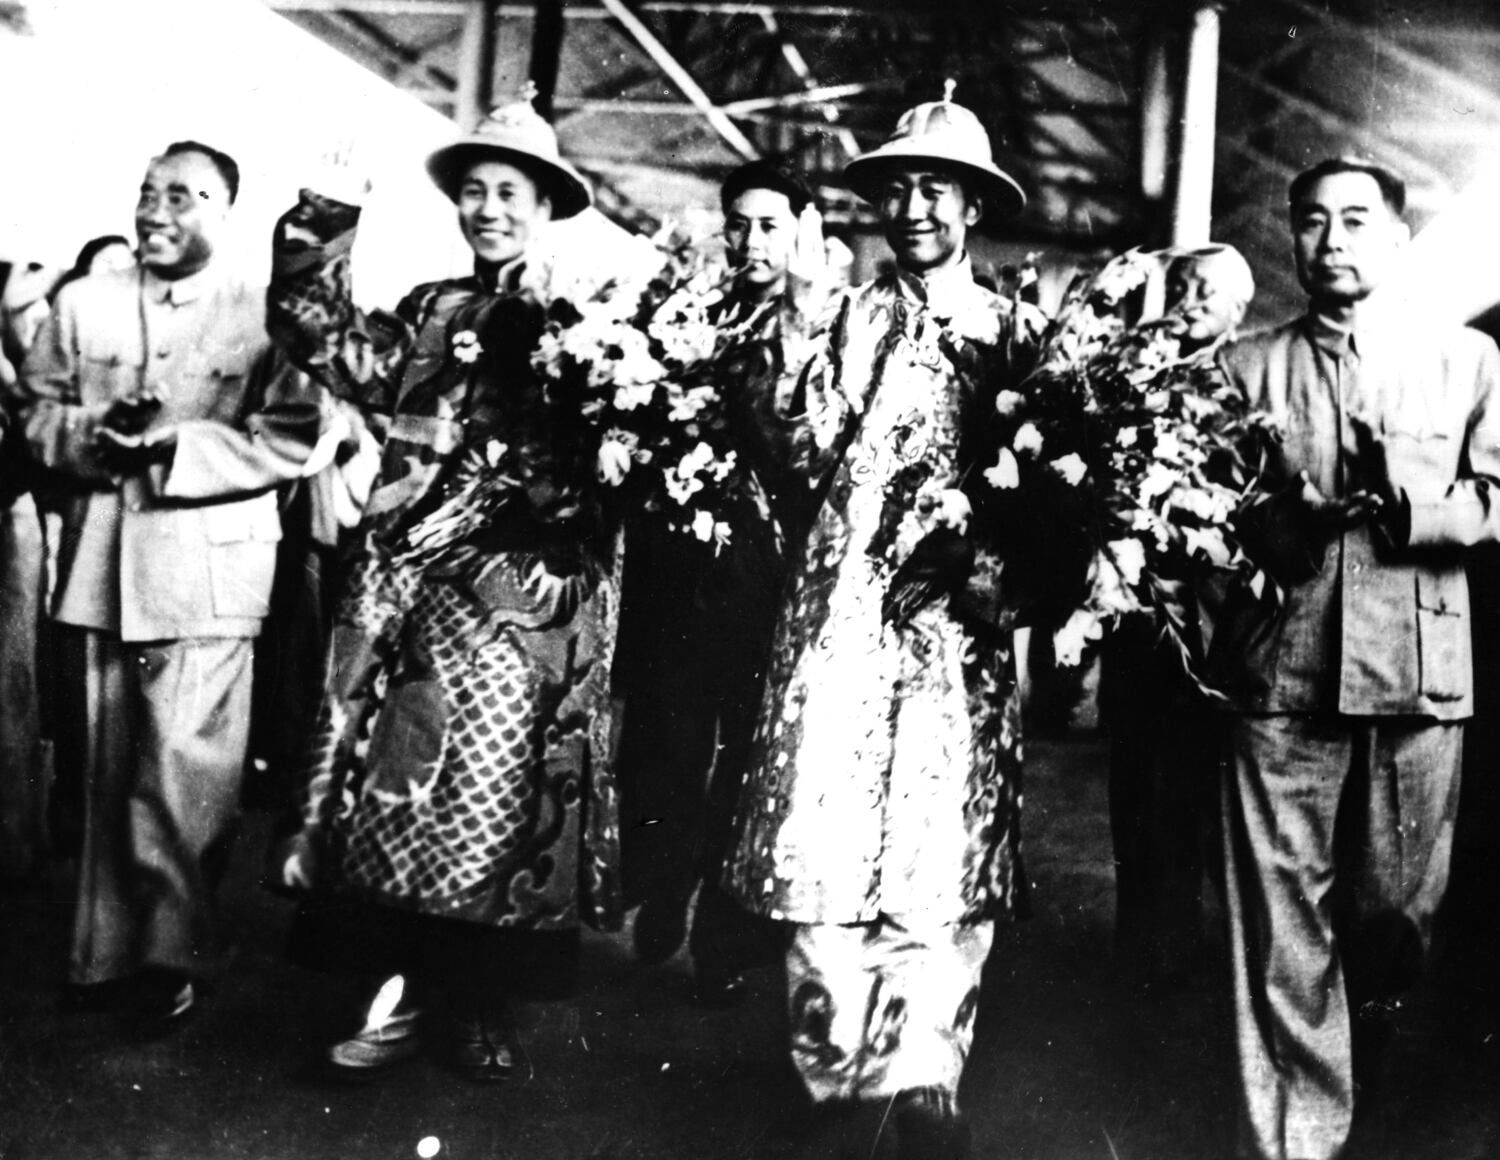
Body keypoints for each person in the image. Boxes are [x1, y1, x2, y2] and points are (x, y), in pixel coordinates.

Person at [268, 94, 623, 1082]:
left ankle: (478, 1002)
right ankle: (394, 990)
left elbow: (610, 466)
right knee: (394, 793)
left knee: (496, 799)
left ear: (546, 202)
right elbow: (320, 335)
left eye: (509, 190)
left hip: (519, 605)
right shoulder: (428, 310)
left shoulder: (588, 318)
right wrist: (324, 213)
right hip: (406, 596)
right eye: (474, 190)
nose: (489, 208)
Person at [722, 88, 1041, 1159]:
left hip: (956, 632)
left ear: (974, 206)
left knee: (938, 849)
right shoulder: (847, 314)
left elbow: (1049, 504)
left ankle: (923, 1083)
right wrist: (803, 321)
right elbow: (798, 449)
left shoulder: (1015, 334)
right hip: (840, 621)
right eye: (898, 187)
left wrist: (993, 572)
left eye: (937, 188)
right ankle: (838, 1084)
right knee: (829, 839)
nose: (914, 207)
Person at [1210, 157, 1500, 1160]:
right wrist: (1267, 527)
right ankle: (1301, 1138)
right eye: (1312, 222)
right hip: (1279, 675)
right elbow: (1201, 512)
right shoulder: (1242, 368)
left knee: (1394, 923)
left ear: (1396, 240)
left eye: (1355, 220)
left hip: (1418, 678)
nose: (1332, 240)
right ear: (1290, 240)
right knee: (1284, 924)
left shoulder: (1467, 363)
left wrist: (1417, 506)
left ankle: (1365, 1066)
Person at [17, 141, 321, 1024]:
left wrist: (173, 448)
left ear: (225, 212)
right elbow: (34, 412)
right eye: (148, 192)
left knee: (183, 775)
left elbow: (294, 435)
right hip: (103, 570)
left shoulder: (268, 316)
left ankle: (172, 955)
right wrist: (87, 429)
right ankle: (104, 956)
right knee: (110, 772)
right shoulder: (83, 302)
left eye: (182, 197)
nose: (156, 210)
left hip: (209, 570)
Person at [616, 159, 835, 1004]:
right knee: (666, 743)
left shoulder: (822, 320)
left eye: (771, 225)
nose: (751, 241)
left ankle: (724, 934)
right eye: (738, 223)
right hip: (680, 566)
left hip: (771, 573)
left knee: (749, 755)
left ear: (804, 232)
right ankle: (663, 887)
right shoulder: (690, 310)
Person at [1099, 243, 1254, 986]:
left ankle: (1180, 944)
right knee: (1129, 776)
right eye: (1182, 286)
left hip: (1209, 628)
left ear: (1239, 310)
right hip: (1134, 616)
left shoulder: (1243, 387)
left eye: (1208, 291)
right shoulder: (1138, 378)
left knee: (1188, 788)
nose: (1190, 300)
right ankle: (1138, 939)